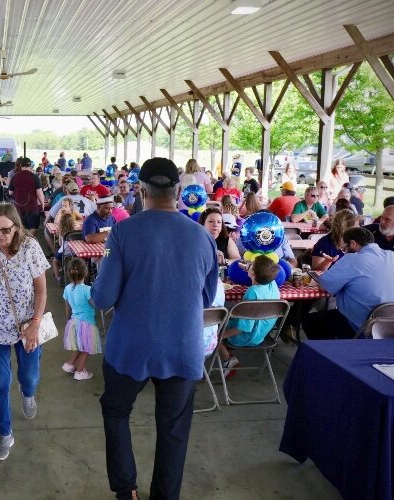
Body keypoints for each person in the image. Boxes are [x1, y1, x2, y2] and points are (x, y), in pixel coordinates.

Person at [92, 157, 218, 500]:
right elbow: (207, 298)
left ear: (141, 190)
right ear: (178, 191)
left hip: (130, 347)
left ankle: (126, 489)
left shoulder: (122, 231)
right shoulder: (202, 236)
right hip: (183, 347)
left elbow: (102, 298)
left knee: (116, 411)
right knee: (174, 428)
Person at [0, 203, 49, 461]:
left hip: (27, 325)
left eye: (5, 230)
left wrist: (36, 323)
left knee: (29, 375)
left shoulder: (30, 248)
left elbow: (41, 289)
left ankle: (27, 392)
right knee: (0, 383)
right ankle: (5, 433)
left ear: (16, 227)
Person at [303, 227, 394, 339]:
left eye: (343, 249)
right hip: (390, 329)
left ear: (352, 244)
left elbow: (324, 286)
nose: (344, 252)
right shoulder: (391, 255)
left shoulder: (352, 259)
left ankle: (331, 354)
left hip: (363, 329)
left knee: (311, 321)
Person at [216, 255, 280, 378]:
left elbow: (243, 328)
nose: (249, 264)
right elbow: (263, 274)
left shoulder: (252, 292)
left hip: (245, 337)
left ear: (254, 273)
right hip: (262, 335)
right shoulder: (272, 283)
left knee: (213, 327)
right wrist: (251, 270)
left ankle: (228, 360)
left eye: (252, 264)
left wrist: (219, 336)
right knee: (229, 307)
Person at [61, 258, 101, 381]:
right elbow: (95, 304)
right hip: (87, 324)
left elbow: (67, 307)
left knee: (80, 345)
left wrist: (68, 320)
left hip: (74, 322)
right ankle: (79, 371)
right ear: (86, 273)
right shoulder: (87, 290)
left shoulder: (67, 288)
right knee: (86, 348)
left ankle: (69, 364)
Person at [8, 157, 44, 235]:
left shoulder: (15, 177)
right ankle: (30, 244)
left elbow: (10, 192)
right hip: (32, 206)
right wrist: (42, 204)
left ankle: (21, 244)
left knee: (20, 227)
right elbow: (40, 193)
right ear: (30, 165)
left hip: (18, 207)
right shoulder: (35, 177)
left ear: (21, 165)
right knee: (33, 228)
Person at [52, 210, 80, 282]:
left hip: (65, 252)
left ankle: (58, 277)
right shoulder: (75, 231)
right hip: (76, 252)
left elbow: (61, 244)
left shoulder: (63, 233)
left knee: (55, 261)